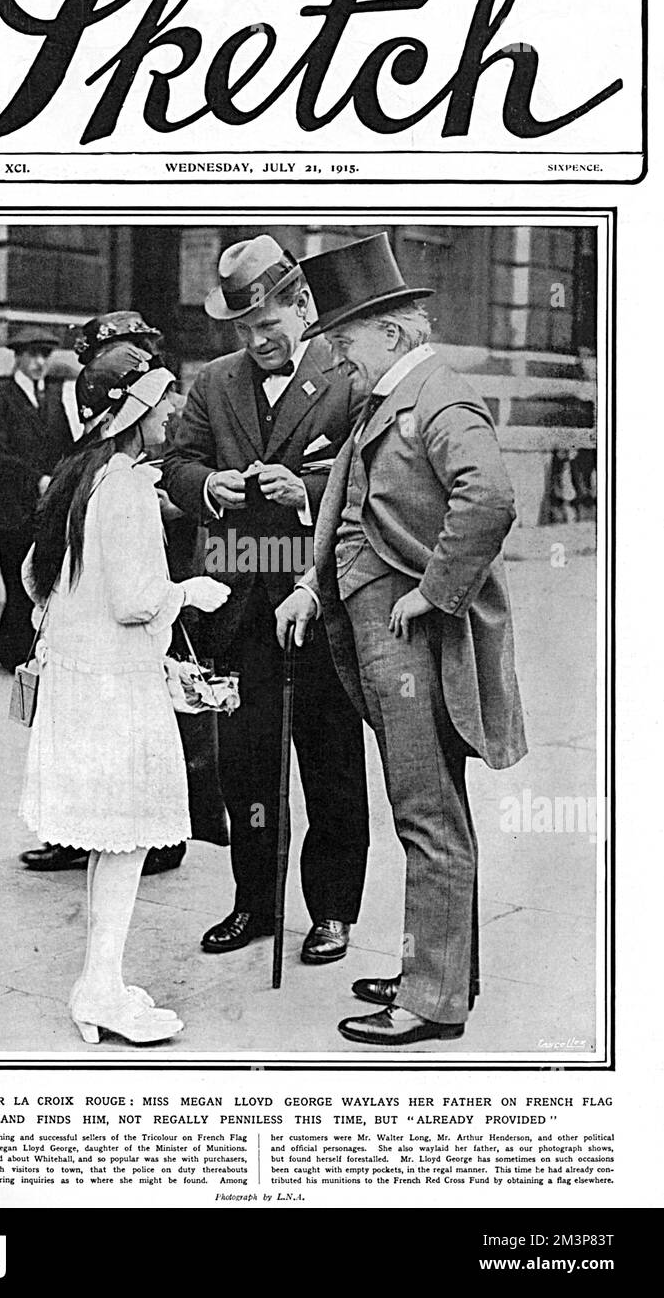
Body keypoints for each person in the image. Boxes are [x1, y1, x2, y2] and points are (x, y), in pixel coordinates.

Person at [275, 233, 527, 1046]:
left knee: (426, 817)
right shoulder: (392, 398)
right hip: (378, 633)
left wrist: (432, 592)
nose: (337, 358)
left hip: (409, 641)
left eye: (345, 340)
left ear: (390, 333)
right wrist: (314, 587)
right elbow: (353, 507)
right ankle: (443, 966)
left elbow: (487, 499)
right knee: (431, 810)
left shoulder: (437, 399)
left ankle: (429, 1001)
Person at [19, 311, 229, 1046]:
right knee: (126, 843)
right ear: (137, 407)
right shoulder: (128, 490)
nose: (175, 409)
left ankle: (99, 981)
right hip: (117, 692)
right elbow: (136, 599)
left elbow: (36, 582)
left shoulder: (80, 479)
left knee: (112, 842)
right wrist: (191, 593)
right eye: (166, 398)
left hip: (82, 687)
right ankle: (98, 987)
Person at [163, 236, 370, 962]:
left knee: (329, 762)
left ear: (303, 307)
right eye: (245, 332)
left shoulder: (347, 378)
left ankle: (332, 913)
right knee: (247, 767)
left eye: (269, 328)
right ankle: (253, 904)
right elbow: (176, 466)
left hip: (317, 602)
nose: (257, 343)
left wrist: (309, 494)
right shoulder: (214, 381)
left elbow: (373, 480)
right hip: (239, 603)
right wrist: (204, 489)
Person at [0, 326, 74, 674]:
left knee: (36, 576)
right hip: (9, 503)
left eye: (44, 356)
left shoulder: (50, 399)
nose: (38, 363)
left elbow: (64, 445)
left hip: (44, 505)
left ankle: (11, 648)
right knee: (16, 578)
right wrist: (38, 479)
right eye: (32, 355)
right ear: (17, 356)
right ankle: (16, 651)